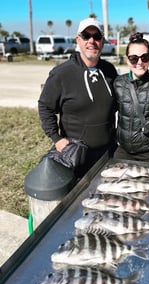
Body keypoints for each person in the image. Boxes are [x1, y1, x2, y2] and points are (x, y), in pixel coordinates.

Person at [38, 18, 118, 178]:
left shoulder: (109, 70)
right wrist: (57, 139)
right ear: (78, 40)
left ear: (102, 41)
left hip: (107, 154)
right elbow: (45, 107)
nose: (91, 41)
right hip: (75, 156)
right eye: (86, 36)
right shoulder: (62, 74)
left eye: (97, 37)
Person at [113, 32, 149, 163]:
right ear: (127, 60)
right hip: (123, 151)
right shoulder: (118, 83)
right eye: (134, 58)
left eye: (144, 57)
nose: (140, 62)